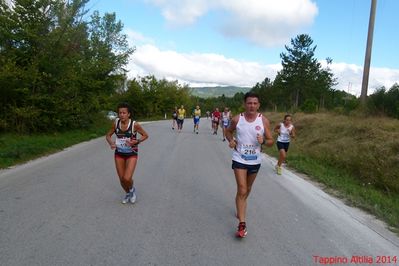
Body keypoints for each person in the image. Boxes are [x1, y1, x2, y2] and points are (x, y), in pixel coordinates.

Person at [225, 92, 273, 238]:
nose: (252, 106)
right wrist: (231, 141)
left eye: (254, 103)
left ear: (258, 105)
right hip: (240, 158)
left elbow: (271, 141)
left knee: (247, 190)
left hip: (255, 160)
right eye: (249, 103)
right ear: (245, 104)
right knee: (242, 188)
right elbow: (228, 131)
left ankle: (240, 204)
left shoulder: (263, 120)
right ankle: (242, 223)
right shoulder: (237, 119)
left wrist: (263, 141)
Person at [105, 102, 149, 204]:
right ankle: (128, 193)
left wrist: (137, 141)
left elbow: (146, 135)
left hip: (131, 153)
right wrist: (111, 143)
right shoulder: (116, 124)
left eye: (124, 113)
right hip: (119, 154)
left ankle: (132, 189)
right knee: (122, 180)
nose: (121, 115)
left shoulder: (135, 125)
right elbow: (108, 135)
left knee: (127, 178)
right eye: (120, 113)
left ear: (129, 114)